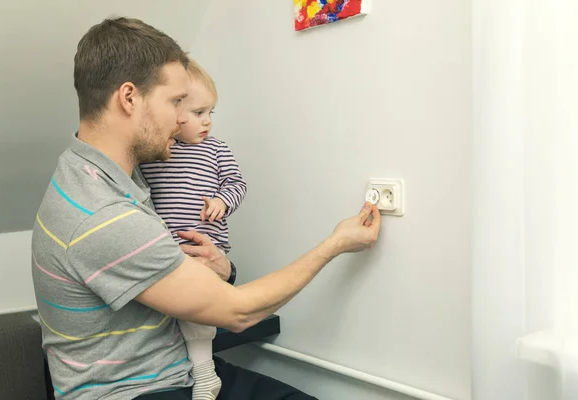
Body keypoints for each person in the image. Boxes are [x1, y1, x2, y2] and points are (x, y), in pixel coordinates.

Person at [31, 17, 381, 400]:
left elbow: (173, 278)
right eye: (175, 102)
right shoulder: (101, 213)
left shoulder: (111, 173)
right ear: (129, 98)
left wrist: (223, 268)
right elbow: (239, 313)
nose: (182, 118)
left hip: (179, 371)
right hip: (132, 392)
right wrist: (336, 243)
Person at [140, 56, 247, 400]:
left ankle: (204, 374)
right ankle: (190, 370)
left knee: (196, 311)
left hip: (206, 248)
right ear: (174, 113)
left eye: (211, 113)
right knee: (171, 313)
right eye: (199, 113)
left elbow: (237, 183)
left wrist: (223, 200)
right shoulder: (156, 154)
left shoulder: (216, 149)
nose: (208, 123)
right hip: (169, 250)